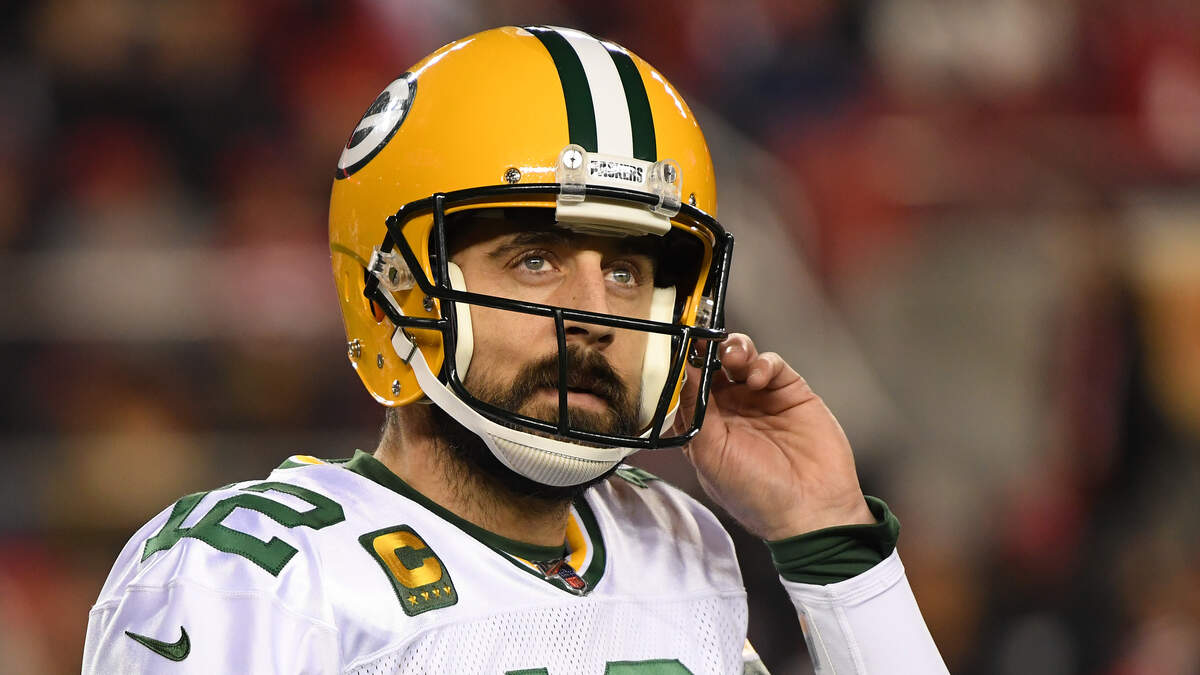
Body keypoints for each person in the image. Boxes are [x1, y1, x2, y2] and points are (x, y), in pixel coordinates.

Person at [83, 26, 947, 674]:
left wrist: (828, 537)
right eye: (535, 259)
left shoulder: (680, 541)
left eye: (626, 271)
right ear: (397, 291)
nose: (595, 312)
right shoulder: (254, 574)